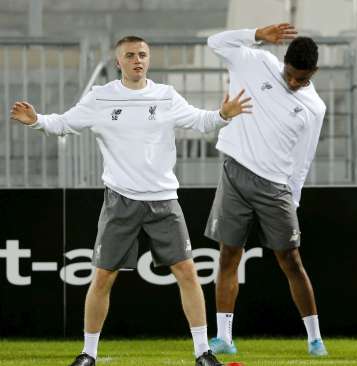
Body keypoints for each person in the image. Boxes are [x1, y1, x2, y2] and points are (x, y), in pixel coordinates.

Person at [10, 35, 251, 366]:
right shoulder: (101, 98)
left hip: (164, 201)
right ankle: (88, 354)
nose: (137, 59)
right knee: (103, 278)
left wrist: (223, 115)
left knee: (187, 273)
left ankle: (203, 353)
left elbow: (200, 120)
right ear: (118, 62)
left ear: (148, 59)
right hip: (120, 201)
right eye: (130, 55)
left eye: (142, 54)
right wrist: (37, 121)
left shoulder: (166, 96)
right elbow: (64, 123)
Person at [204, 23, 328, 357]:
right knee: (229, 255)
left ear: (313, 72)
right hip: (234, 173)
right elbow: (215, 41)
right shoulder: (255, 61)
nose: (292, 82)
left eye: (301, 78)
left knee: (291, 260)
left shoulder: (314, 108)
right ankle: (224, 338)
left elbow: (304, 159)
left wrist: (294, 198)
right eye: (289, 74)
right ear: (282, 61)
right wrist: (256, 34)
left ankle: (315, 338)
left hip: (276, 188)